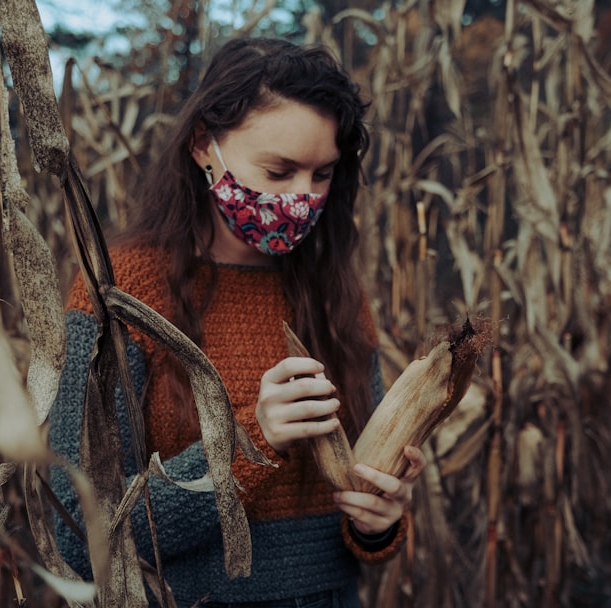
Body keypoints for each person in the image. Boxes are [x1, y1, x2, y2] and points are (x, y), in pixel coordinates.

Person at [48, 37, 425, 607]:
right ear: (204, 146)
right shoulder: (122, 290)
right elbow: (80, 532)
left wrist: (379, 521)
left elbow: (356, 519)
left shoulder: (336, 295)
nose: (303, 198)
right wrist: (248, 442)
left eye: (322, 174)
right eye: (279, 170)